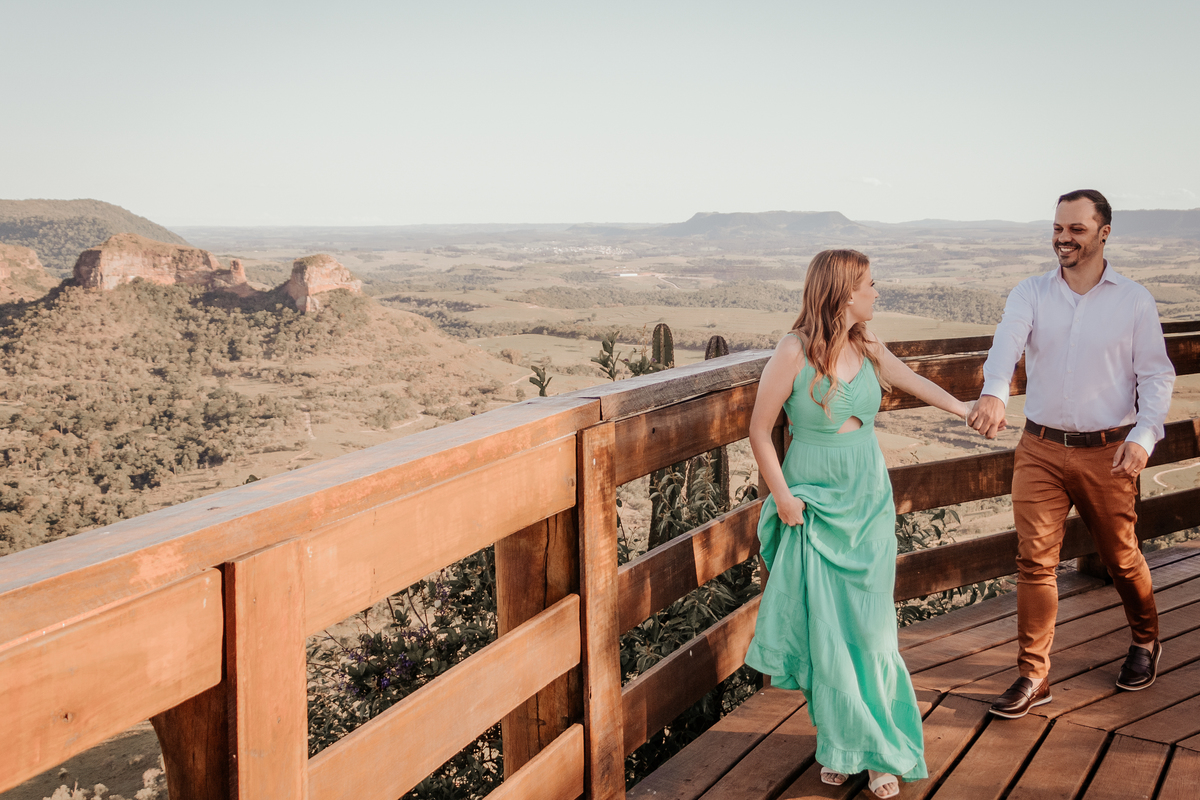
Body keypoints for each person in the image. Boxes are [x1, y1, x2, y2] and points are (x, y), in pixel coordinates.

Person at [744, 249, 969, 799]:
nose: (877, 292)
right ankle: (843, 744)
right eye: (870, 284)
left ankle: (880, 750)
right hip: (813, 506)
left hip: (866, 502)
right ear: (843, 292)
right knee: (828, 632)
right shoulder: (793, 350)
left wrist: (967, 412)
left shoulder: (868, 345)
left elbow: (913, 381)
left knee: (871, 632)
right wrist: (784, 500)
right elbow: (758, 429)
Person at [968, 189, 1175, 719]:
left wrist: (1144, 436)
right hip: (1038, 448)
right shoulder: (1031, 293)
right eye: (1058, 228)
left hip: (1108, 452)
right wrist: (995, 388)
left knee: (1121, 557)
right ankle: (1033, 675)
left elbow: (1155, 375)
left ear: (1104, 233)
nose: (1062, 238)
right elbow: (1007, 343)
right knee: (1035, 562)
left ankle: (1147, 641)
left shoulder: (1134, 301)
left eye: (1075, 229)